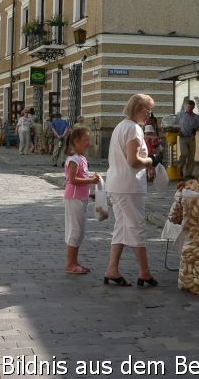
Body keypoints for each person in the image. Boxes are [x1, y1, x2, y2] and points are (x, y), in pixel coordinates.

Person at [104, 93, 160, 287]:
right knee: (136, 227)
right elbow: (133, 160)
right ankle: (144, 273)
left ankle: (112, 269)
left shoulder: (121, 126)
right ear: (138, 109)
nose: (149, 115)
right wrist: (151, 160)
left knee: (121, 226)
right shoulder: (134, 129)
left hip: (117, 183)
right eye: (148, 110)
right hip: (128, 186)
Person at [63, 126, 101, 274]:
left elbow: (82, 178)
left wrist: (91, 193)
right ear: (76, 141)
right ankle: (71, 263)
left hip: (80, 198)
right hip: (73, 198)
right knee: (75, 230)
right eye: (86, 140)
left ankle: (75, 262)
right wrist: (91, 180)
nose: (88, 143)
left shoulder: (81, 158)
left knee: (80, 231)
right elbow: (72, 179)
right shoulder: (73, 159)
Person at [176, 99, 199, 179]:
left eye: (191, 108)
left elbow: (198, 126)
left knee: (191, 156)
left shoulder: (196, 116)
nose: (190, 109)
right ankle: (179, 168)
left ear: (193, 107)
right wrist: (178, 131)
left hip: (191, 138)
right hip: (183, 137)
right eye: (188, 107)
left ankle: (188, 173)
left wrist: (196, 129)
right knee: (184, 153)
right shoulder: (180, 114)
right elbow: (174, 124)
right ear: (186, 106)